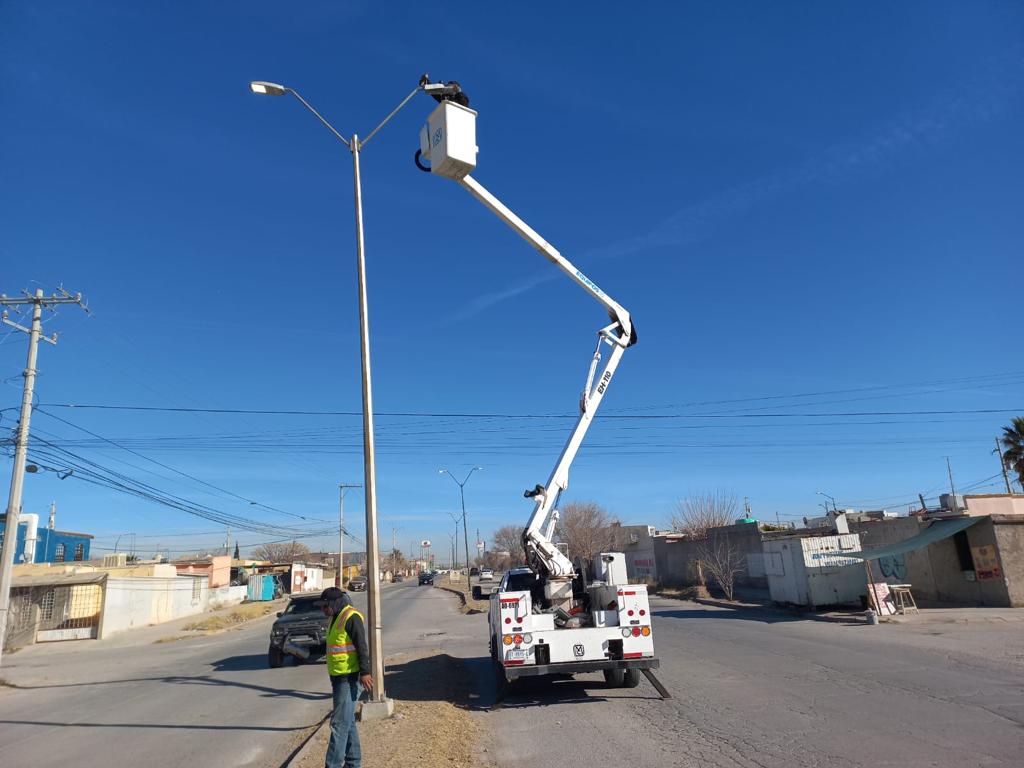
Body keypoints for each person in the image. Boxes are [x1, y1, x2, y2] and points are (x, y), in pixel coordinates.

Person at [316, 586, 373, 768]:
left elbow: (361, 646)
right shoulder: (335, 617)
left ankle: (332, 765)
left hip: (350, 678)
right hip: (338, 678)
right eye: (321, 606)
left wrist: (365, 672)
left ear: (335, 603)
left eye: (325, 606)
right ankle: (353, 763)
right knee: (347, 723)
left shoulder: (351, 617)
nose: (323, 609)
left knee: (339, 725)